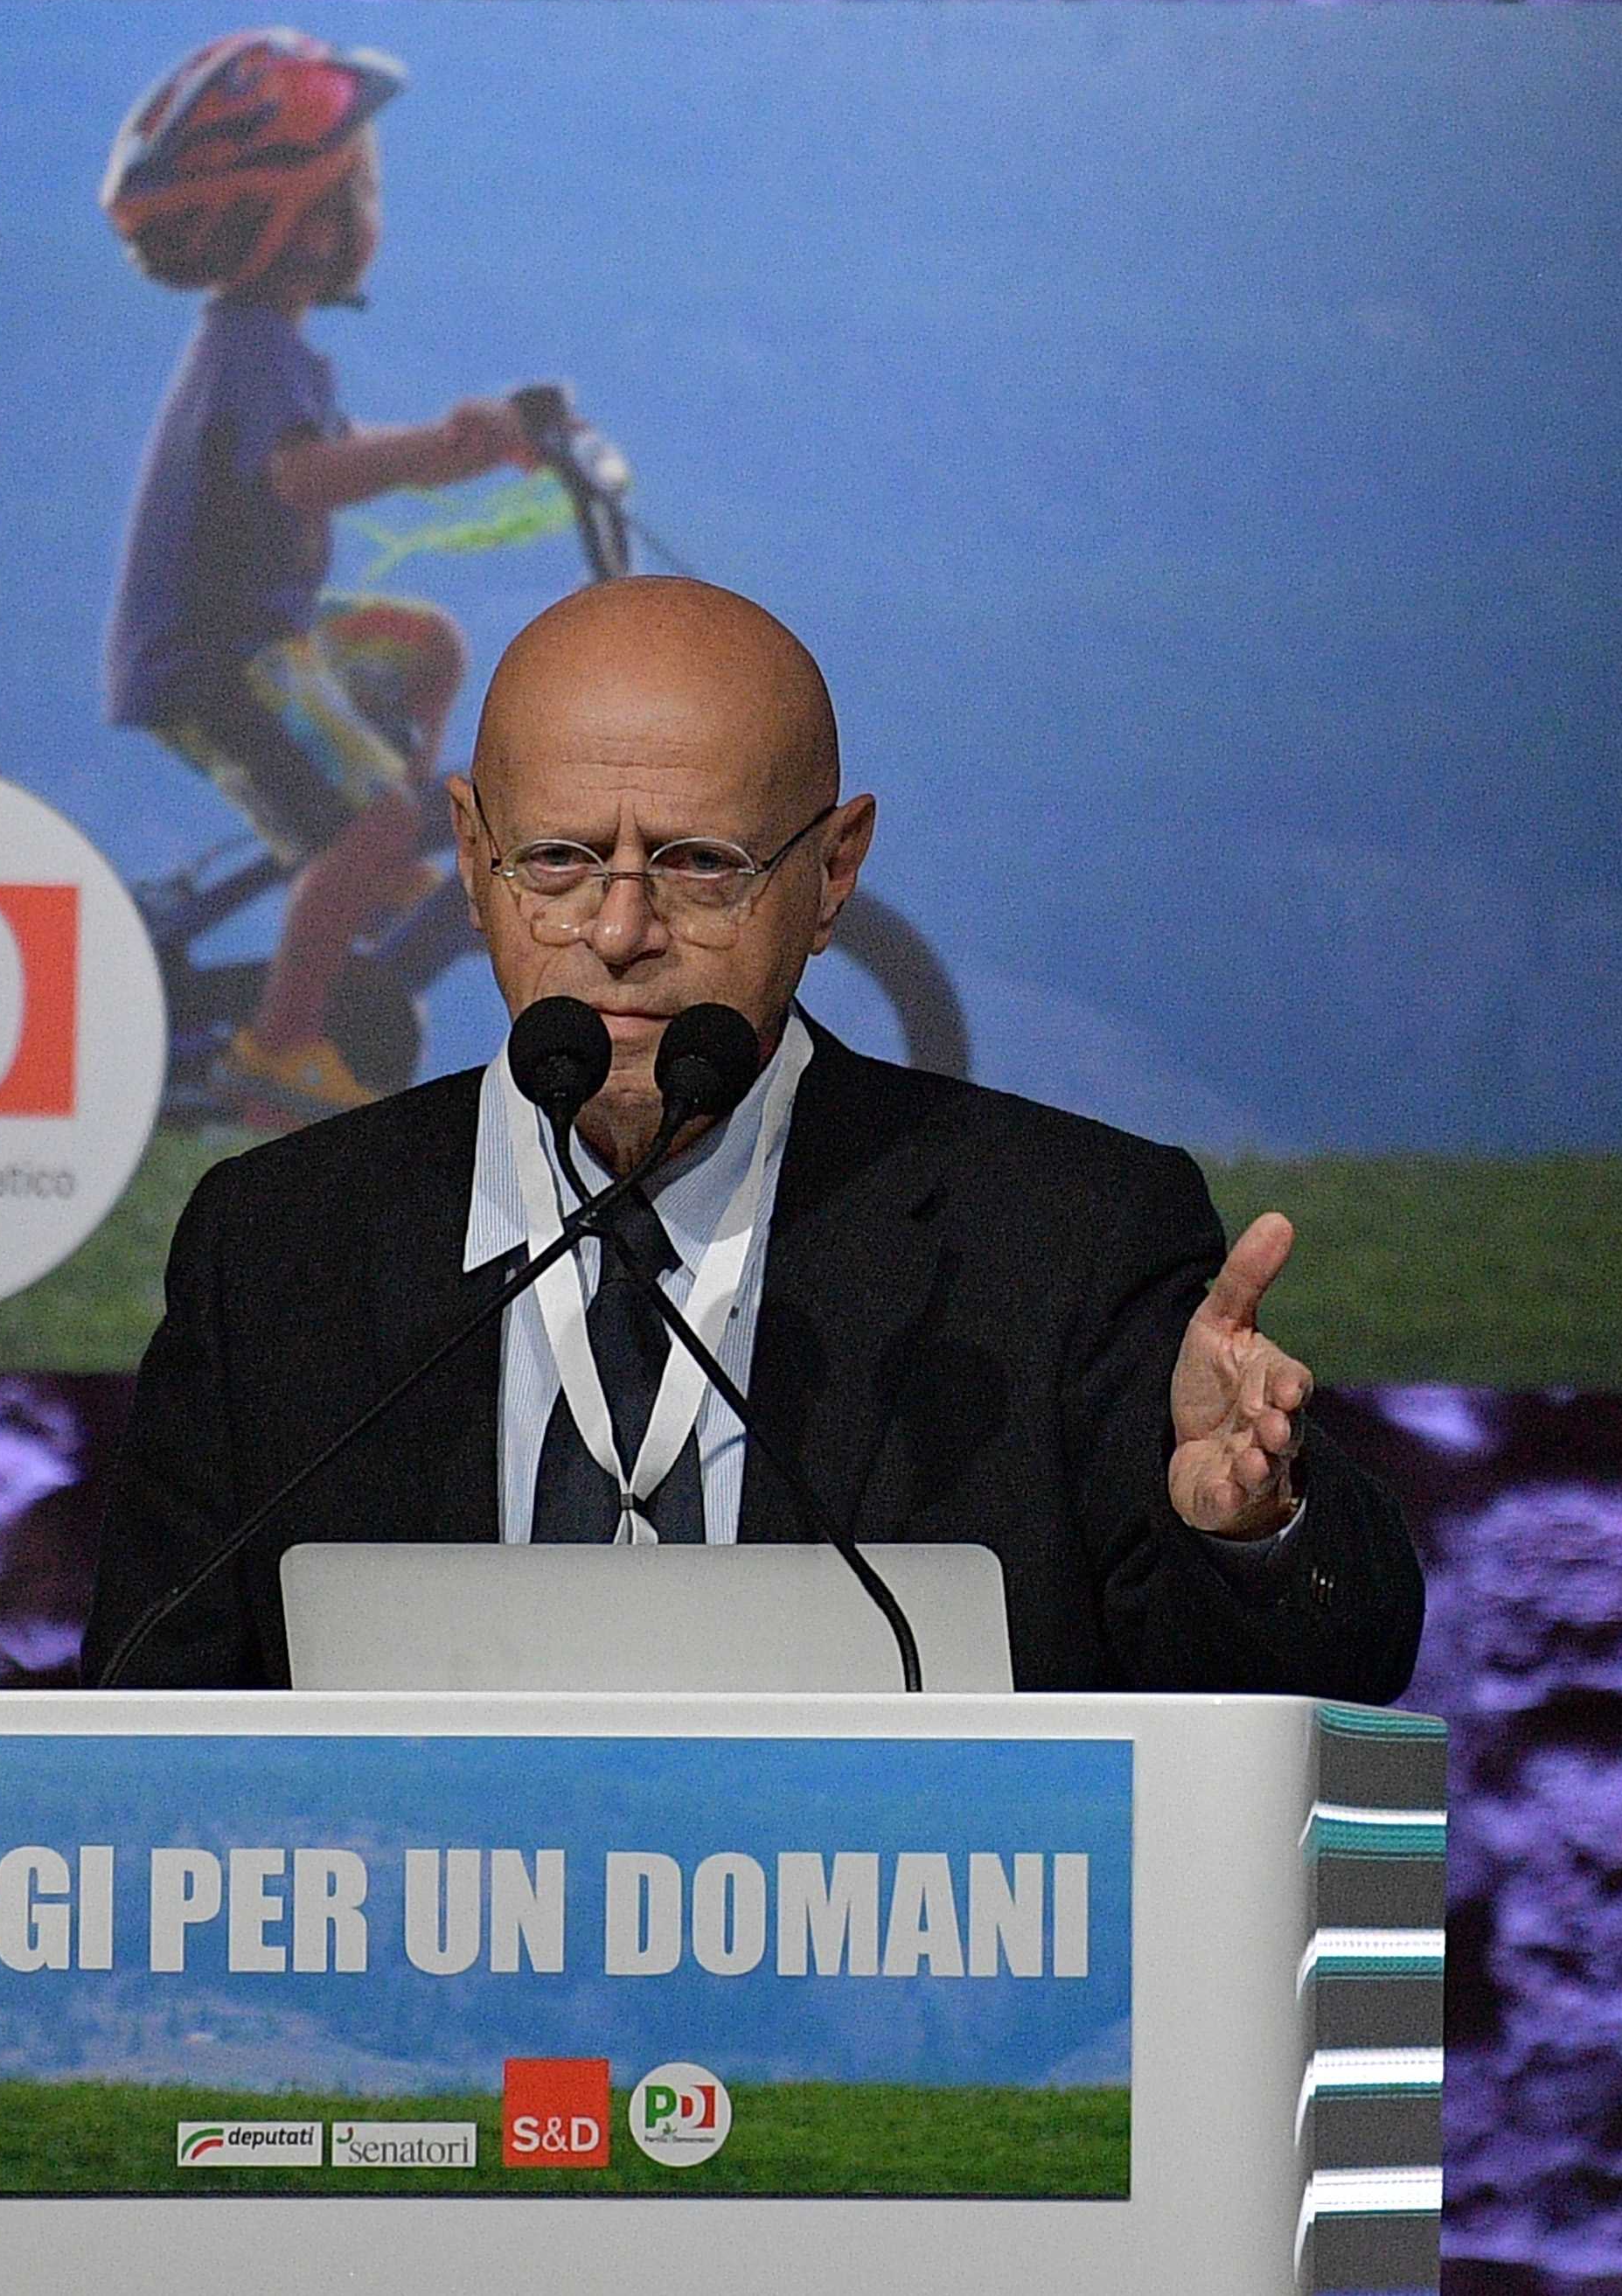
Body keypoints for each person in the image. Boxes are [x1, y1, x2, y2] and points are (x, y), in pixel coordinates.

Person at [85, 575, 1424, 1698]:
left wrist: (1252, 1531)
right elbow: (139, 1738)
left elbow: (1337, 1668)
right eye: (558, 861)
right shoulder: (277, 1252)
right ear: (472, 855)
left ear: (833, 873)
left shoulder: (1063, 1239)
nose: (620, 931)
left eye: (698, 864)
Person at [98, 28, 537, 1126]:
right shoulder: (252, 349)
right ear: (297, 225)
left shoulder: (267, 345)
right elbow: (304, 476)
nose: (370, 216)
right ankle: (277, 1048)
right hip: (215, 662)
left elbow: (327, 453)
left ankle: (370, 862)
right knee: (371, 817)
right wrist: (438, 450)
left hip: (254, 634)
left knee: (426, 647)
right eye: (357, 193)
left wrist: (461, 449)